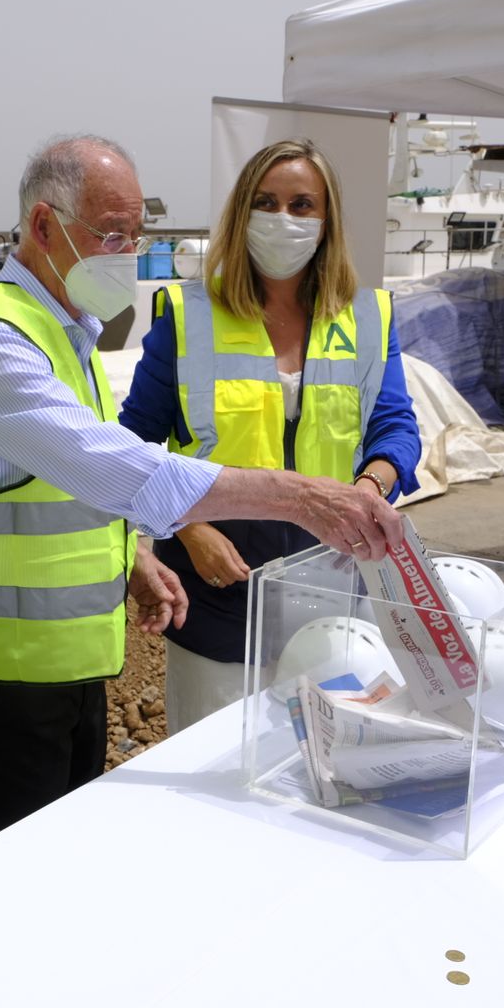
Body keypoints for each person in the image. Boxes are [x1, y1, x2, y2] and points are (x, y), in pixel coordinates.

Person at [0, 134, 405, 861]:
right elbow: (126, 466)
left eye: (135, 235)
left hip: (66, 667)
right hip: (1, 676)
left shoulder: (59, 332)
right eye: (111, 234)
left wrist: (130, 556)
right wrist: (302, 499)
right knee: (3, 891)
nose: (127, 253)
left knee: (56, 869)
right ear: (44, 227)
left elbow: (64, 485)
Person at [118, 139, 421, 733]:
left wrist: (368, 487)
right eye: (266, 202)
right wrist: (187, 526)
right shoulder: (187, 316)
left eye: (302, 204)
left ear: (326, 219)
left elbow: (396, 426)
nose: (284, 218)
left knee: (326, 768)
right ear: (241, 215)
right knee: (216, 776)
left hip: (333, 592)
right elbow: (132, 447)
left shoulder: (369, 316)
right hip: (216, 597)